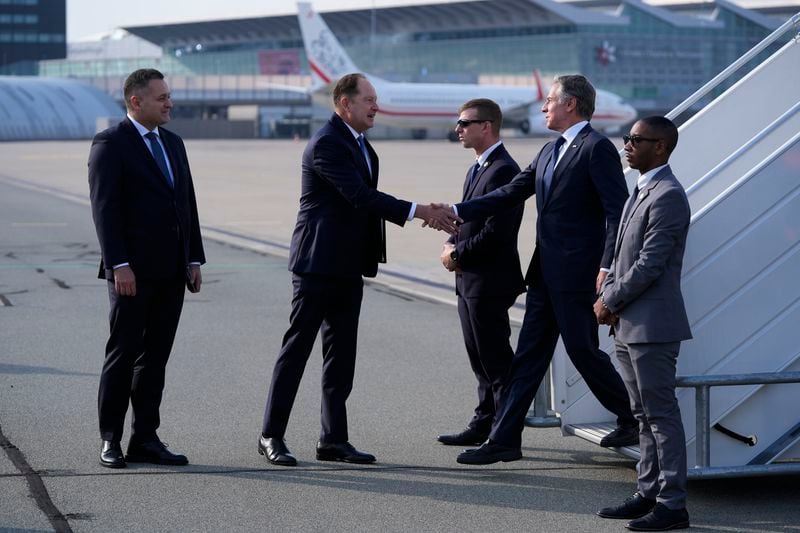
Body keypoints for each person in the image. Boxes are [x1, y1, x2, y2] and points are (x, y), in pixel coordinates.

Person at [258, 73, 460, 467]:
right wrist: (421, 211)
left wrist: (421, 213)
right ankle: (271, 434)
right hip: (317, 265)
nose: (375, 106)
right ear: (345, 104)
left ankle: (333, 439)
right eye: (368, 100)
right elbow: (359, 196)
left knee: (341, 356)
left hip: (348, 266)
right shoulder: (326, 144)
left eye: (376, 99)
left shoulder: (364, 147)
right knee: (296, 351)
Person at [444, 74, 638, 465]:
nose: (544, 107)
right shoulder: (550, 150)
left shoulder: (596, 148)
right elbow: (511, 191)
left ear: (571, 104)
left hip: (578, 274)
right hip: (545, 274)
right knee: (528, 357)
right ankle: (504, 440)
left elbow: (617, 213)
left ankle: (630, 418)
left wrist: (606, 266)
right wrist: (456, 210)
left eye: (550, 100)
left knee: (583, 352)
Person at [88, 68, 205, 469]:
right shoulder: (111, 143)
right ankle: (110, 439)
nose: (169, 103)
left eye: (169, 96)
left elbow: (186, 202)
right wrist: (118, 264)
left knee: (155, 358)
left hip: (172, 270)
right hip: (130, 273)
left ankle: (146, 438)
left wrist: (193, 258)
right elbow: (105, 210)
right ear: (136, 101)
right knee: (122, 354)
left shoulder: (173, 143)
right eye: (161, 98)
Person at [595, 116, 691, 531]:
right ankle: (648, 492)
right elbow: (621, 255)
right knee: (642, 416)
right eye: (627, 138)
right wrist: (609, 295)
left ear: (661, 147)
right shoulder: (641, 189)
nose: (627, 145)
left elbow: (650, 263)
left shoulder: (667, 194)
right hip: (627, 322)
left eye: (636, 139)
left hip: (651, 326)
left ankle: (673, 505)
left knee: (660, 416)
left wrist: (609, 299)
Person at [437, 99, 525, 447]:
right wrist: (450, 241)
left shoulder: (503, 169)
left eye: (464, 123)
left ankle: (504, 434)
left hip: (488, 280)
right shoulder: (477, 168)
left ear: (486, 126)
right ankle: (484, 421)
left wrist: (457, 254)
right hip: (469, 279)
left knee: (496, 361)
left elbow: (498, 230)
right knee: (479, 359)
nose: (458, 129)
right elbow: (466, 220)